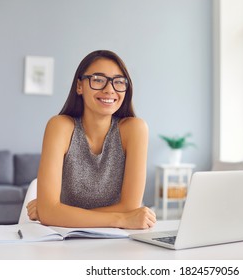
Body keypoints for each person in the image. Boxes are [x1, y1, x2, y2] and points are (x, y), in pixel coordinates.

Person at [26, 50, 156, 229]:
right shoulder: (60, 127)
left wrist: (58, 213)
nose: (109, 89)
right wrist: (122, 219)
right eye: (98, 79)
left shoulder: (135, 129)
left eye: (118, 81)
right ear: (79, 86)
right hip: (64, 241)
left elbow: (130, 207)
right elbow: (50, 212)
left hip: (117, 242)